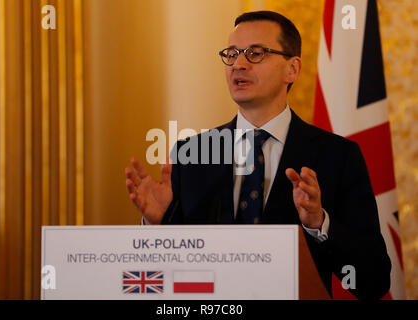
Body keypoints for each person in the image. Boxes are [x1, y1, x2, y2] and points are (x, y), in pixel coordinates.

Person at [125, 11, 391, 299]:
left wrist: (319, 223)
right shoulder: (193, 153)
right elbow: (164, 277)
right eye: (231, 54)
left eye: (255, 53)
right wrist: (158, 224)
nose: (238, 64)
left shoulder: (338, 156)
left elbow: (372, 282)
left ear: (292, 69)